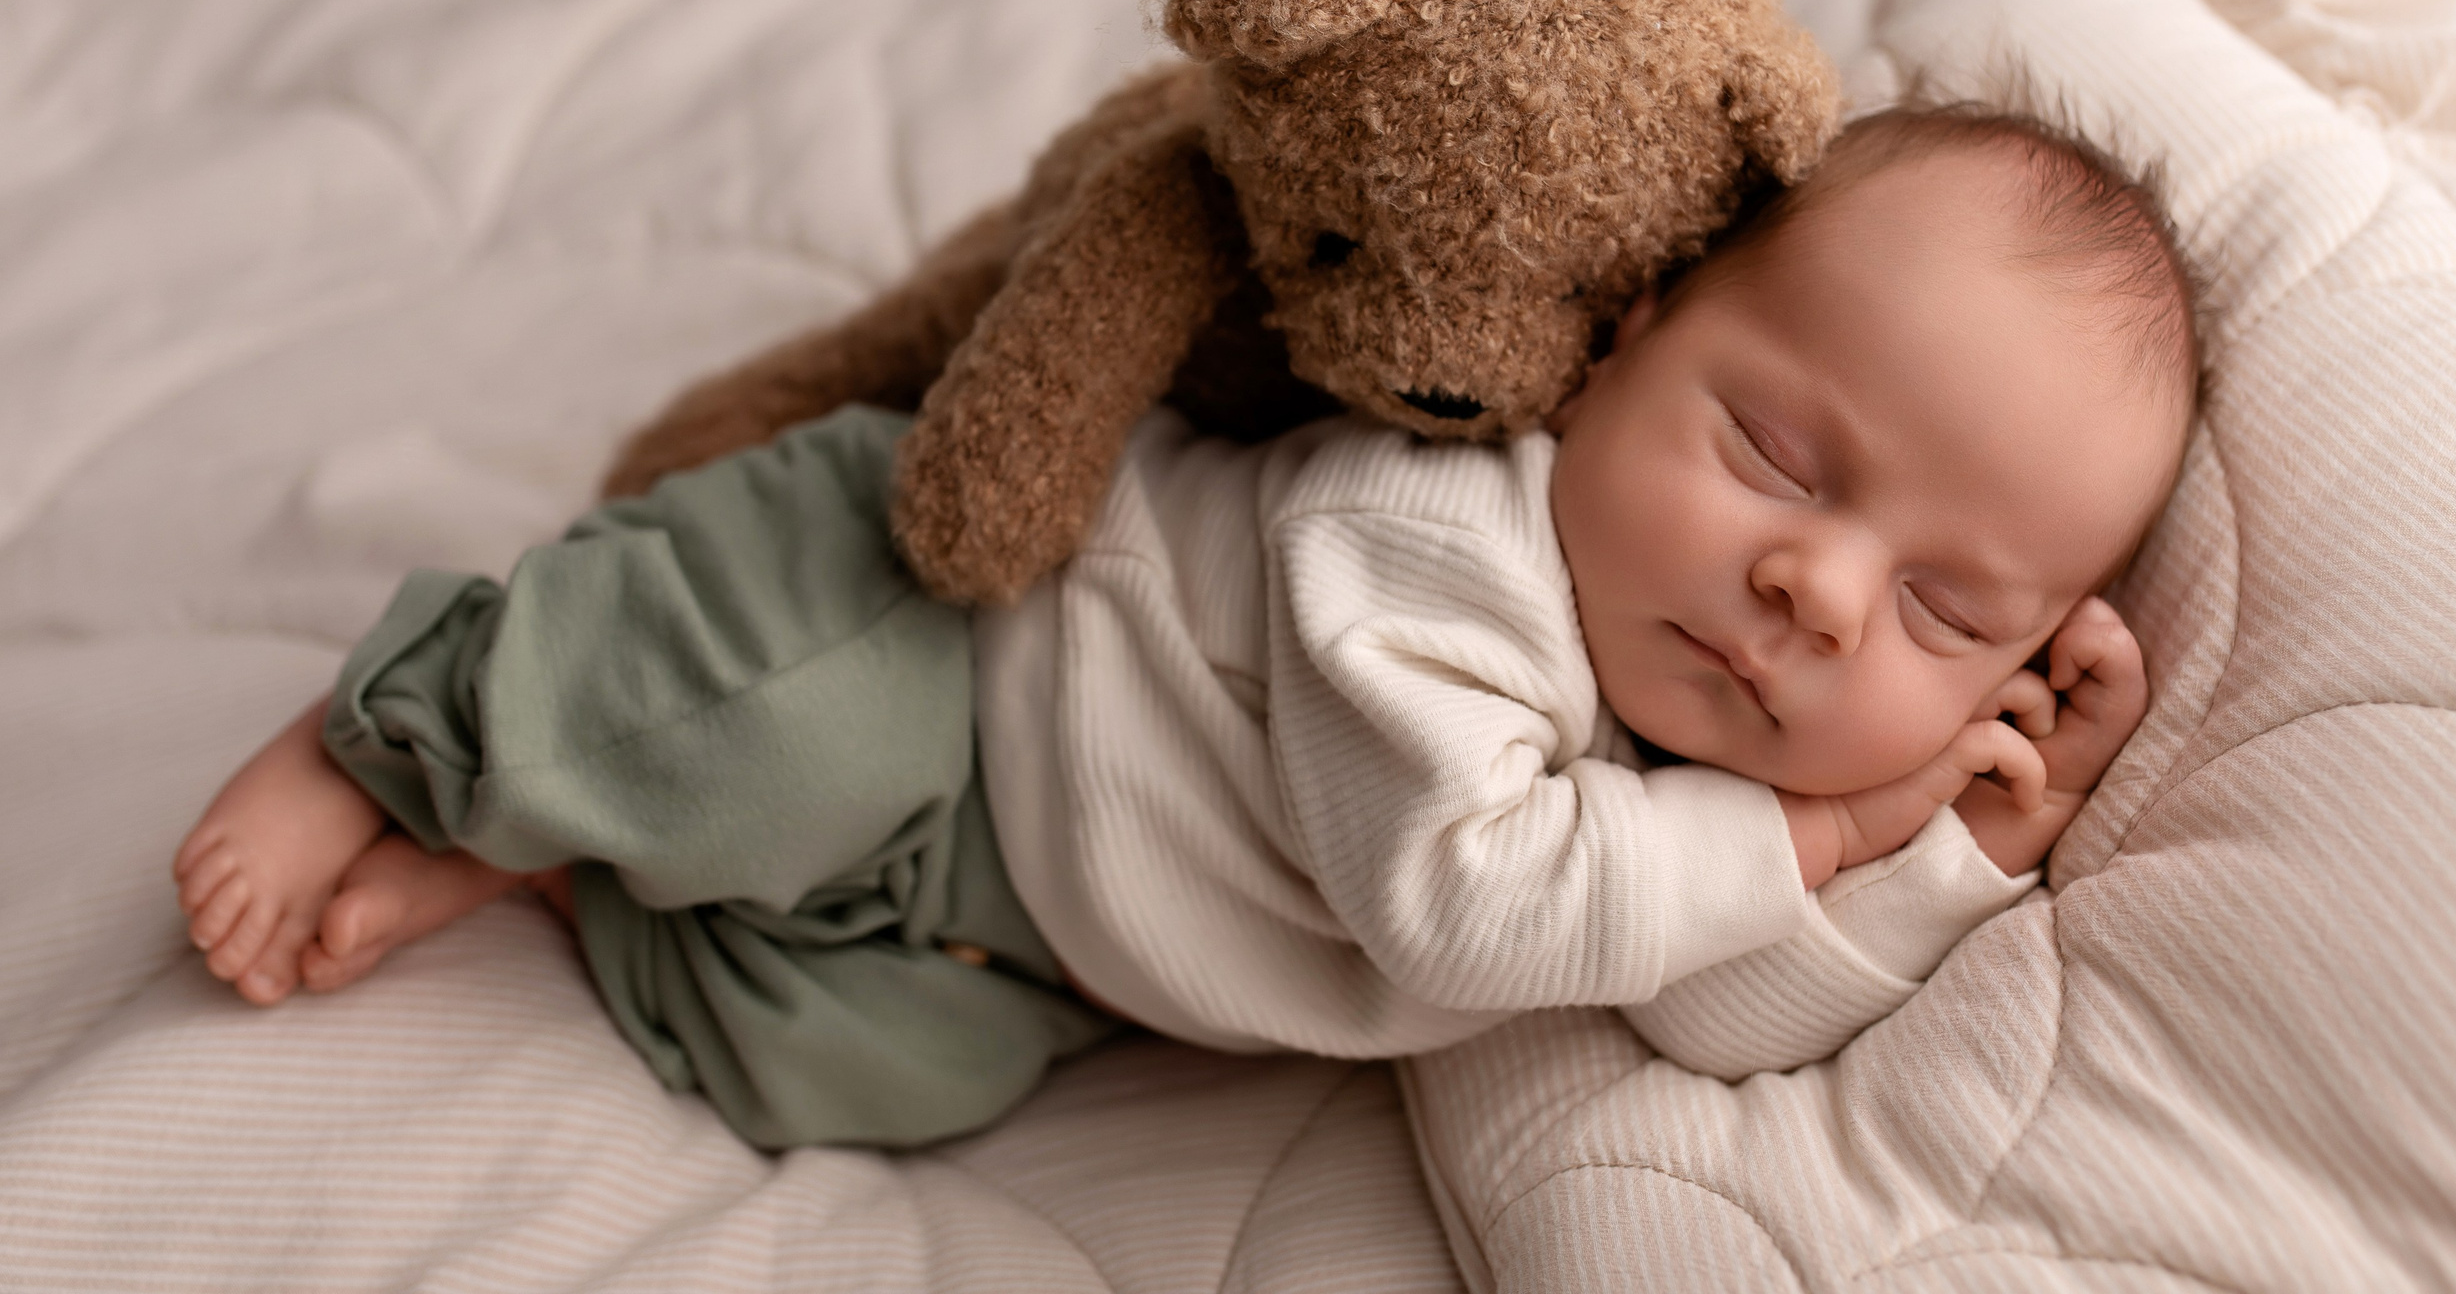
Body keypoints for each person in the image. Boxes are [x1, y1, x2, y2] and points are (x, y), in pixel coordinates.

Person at [173, 101, 2200, 1148]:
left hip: (1032, 932)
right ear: (1632, 333)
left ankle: (522, 869)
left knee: (861, 1073)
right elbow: (1466, 909)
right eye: (1768, 446)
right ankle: (392, 730)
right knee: (742, 719)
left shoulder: (1720, 787)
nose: (1814, 592)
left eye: (1942, 609)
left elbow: (1692, 1001)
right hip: (946, 653)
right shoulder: (1436, 530)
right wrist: (1828, 828)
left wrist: (1946, 856)